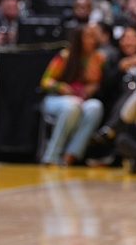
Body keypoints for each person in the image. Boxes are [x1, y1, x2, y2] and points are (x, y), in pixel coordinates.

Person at [39, 24, 105, 166]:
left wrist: (92, 87)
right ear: (78, 38)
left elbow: (96, 82)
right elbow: (45, 81)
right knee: (72, 106)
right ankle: (52, 156)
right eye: (88, 36)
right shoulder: (65, 56)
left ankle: (70, 156)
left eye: (93, 37)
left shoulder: (97, 58)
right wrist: (61, 87)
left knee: (95, 107)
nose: (92, 40)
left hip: (81, 100)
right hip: (56, 100)